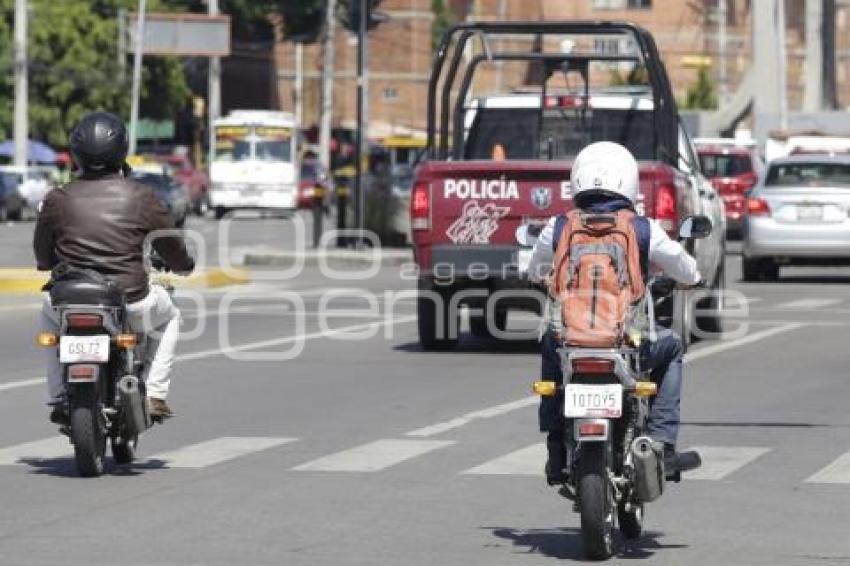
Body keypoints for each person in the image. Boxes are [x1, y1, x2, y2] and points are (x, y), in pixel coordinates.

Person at [527, 141, 702, 484]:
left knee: (551, 346)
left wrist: (541, 278)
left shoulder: (559, 226)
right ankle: (663, 445)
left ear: (578, 179)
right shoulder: (641, 228)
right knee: (673, 347)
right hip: (625, 343)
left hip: (572, 344)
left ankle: (555, 447)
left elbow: (535, 268)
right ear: (628, 182)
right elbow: (684, 268)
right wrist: (692, 279)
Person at [34, 111, 194, 424]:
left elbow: (42, 254)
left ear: (77, 152)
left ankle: (57, 394)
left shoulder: (57, 198)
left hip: (70, 299)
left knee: (48, 317)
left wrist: (50, 263)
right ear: (121, 150)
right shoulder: (142, 196)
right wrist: (183, 265)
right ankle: (155, 394)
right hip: (130, 300)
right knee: (171, 316)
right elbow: (170, 245)